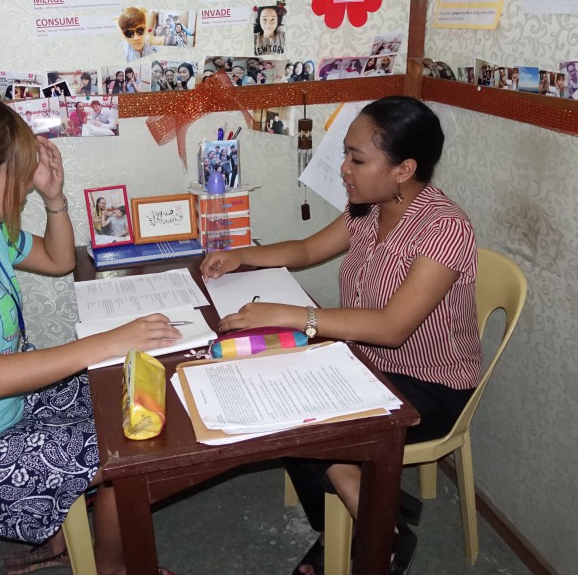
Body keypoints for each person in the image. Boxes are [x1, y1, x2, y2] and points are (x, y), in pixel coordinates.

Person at [0, 97, 181, 575]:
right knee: (124, 445)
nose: (24, 185)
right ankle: (112, 567)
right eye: (19, 175)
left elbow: (59, 260)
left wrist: (53, 197)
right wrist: (110, 340)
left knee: (116, 390)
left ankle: (74, 539)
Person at [199, 96, 480, 575]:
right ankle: (371, 510)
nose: (344, 169)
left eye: (357, 159)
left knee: (293, 418)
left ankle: (375, 525)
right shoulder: (368, 208)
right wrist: (243, 255)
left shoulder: (444, 229)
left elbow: (392, 329)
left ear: (403, 169)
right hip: (365, 362)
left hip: (430, 386)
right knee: (275, 393)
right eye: (346, 154)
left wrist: (294, 315)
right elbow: (308, 248)